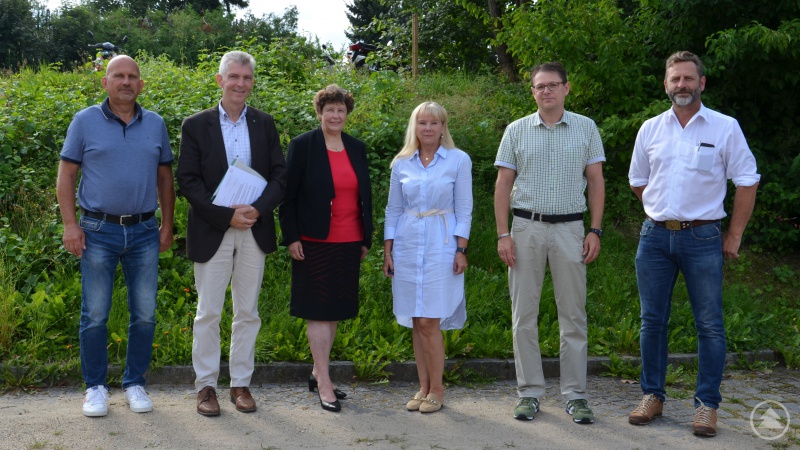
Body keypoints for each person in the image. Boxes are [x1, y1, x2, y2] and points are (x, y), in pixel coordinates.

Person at [627, 51, 759, 437]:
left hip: (703, 237)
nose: (681, 85)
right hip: (654, 237)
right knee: (652, 321)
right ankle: (652, 396)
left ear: (702, 83)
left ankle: (706, 405)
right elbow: (638, 181)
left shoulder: (725, 127)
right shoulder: (651, 128)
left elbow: (747, 180)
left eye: (688, 78)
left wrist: (734, 234)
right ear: (666, 85)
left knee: (710, 324)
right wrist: (662, 212)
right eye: (675, 79)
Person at [56, 55, 175, 418]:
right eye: (118, 76)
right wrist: (70, 225)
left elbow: (165, 179)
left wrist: (167, 225)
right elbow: (66, 176)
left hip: (143, 231)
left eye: (132, 76)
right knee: (95, 314)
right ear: (104, 82)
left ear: (141, 84)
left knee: (145, 314)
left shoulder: (155, 124)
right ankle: (95, 387)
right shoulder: (85, 121)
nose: (126, 81)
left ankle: (135, 382)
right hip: (97, 231)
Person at [493, 61, 605, 424]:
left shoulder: (586, 127)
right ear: (533, 92)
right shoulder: (516, 130)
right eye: (540, 86)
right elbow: (502, 185)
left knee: (573, 314)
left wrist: (595, 229)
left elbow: (596, 181)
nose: (547, 91)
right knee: (523, 315)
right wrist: (503, 234)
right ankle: (529, 393)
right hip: (526, 228)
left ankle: (576, 395)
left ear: (566, 88)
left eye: (553, 85)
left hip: (571, 229)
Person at [177, 51, 287, 417]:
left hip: (255, 227)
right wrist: (227, 216)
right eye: (234, 77)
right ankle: (206, 386)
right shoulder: (196, 125)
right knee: (208, 311)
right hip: (214, 229)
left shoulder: (264, 123)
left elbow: (280, 175)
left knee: (248, 311)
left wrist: (258, 209)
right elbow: (188, 181)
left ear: (252, 82)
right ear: (220, 80)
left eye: (247, 77)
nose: (240, 83)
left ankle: (240, 384)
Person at [278, 85, 373, 413]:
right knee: (318, 309)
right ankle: (325, 382)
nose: (335, 115)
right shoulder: (303, 146)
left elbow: (365, 196)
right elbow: (288, 197)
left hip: (349, 240)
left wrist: (366, 238)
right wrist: (291, 236)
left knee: (334, 309)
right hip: (313, 241)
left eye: (341, 110)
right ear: (319, 112)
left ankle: (318, 372)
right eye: (329, 109)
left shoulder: (356, 148)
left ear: (347, 114)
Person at [382, 102, 473, 414]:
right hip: (407, 244)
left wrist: (461, 249)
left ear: (444, 127)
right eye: (423, 123)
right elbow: (393, 209)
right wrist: (388, 251)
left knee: (429, 319)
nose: (429, 128)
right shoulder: (402, 162)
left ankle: (437, 389)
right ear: (415, 127)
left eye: (435, 123)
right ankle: (422, 387)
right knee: (415, 320)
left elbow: (465, 209)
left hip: (441, 244)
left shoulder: (458, 160)